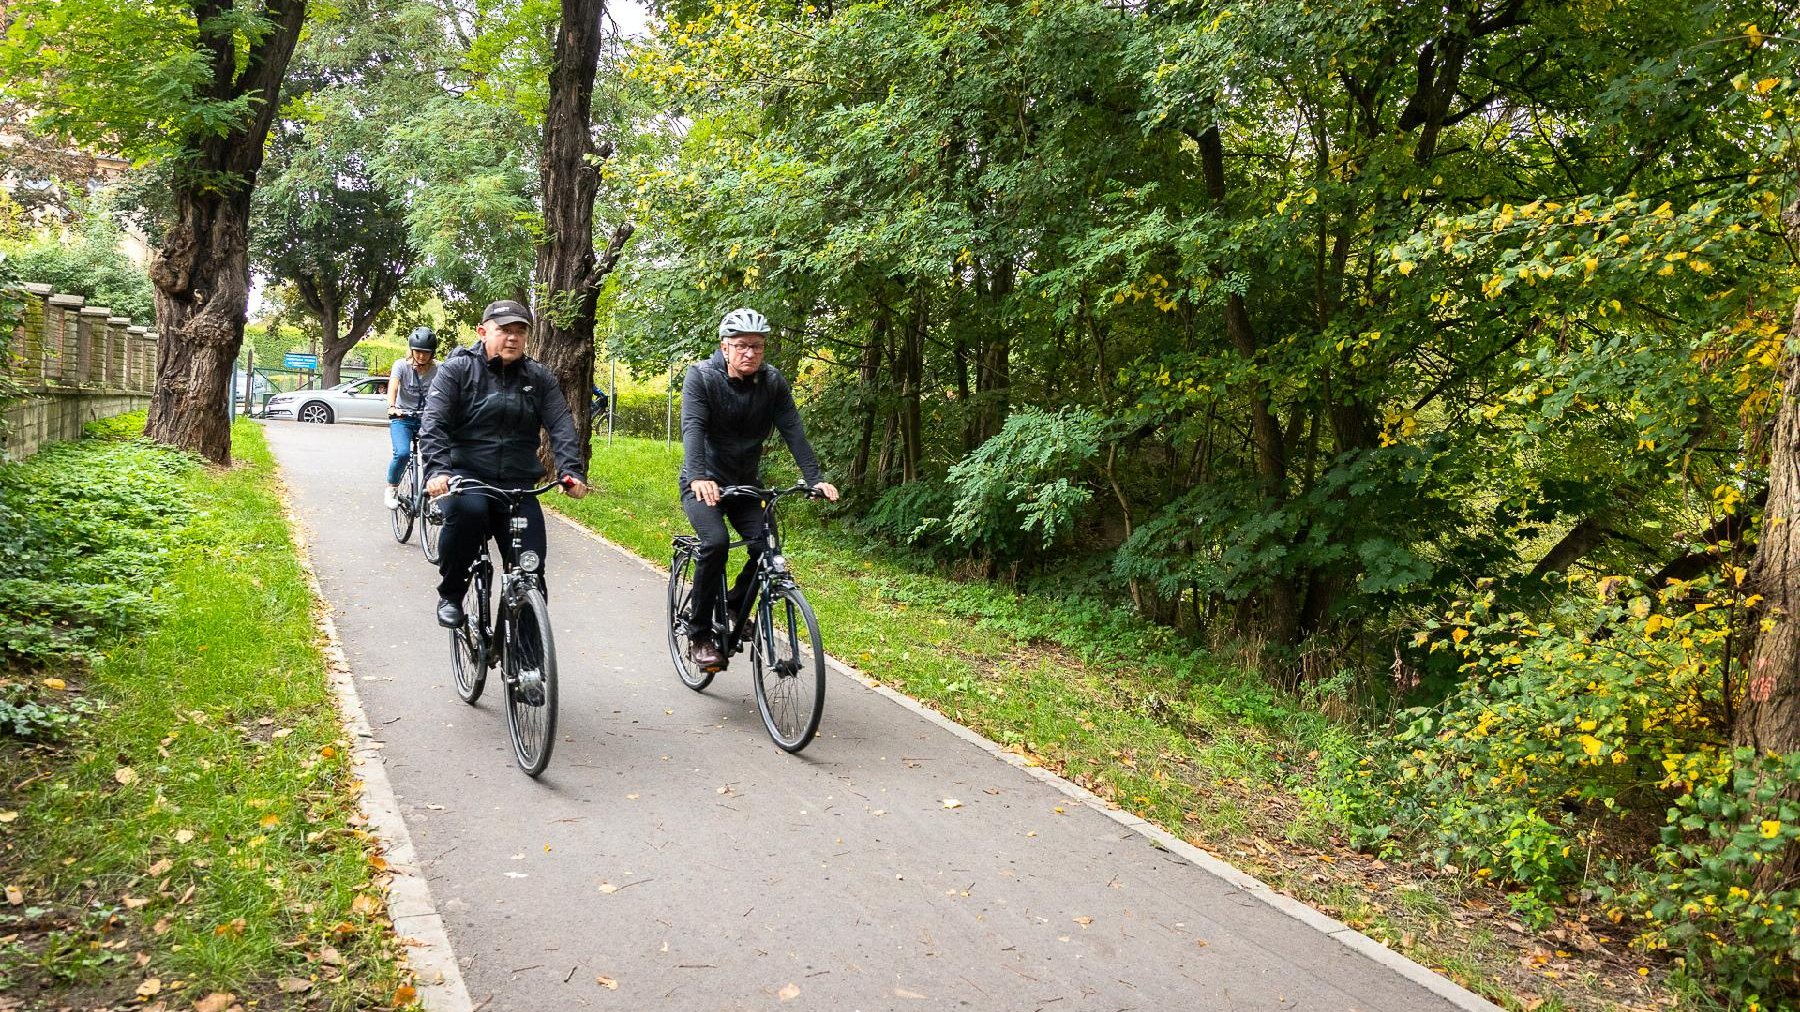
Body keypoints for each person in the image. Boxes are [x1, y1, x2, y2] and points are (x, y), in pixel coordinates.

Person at [680, 307, 839, 668]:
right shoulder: (702, 377)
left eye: (757, 346)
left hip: (746, 484)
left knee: (766, 547)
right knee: (716, 543)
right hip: (703, 481)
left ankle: (734, 605)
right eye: (741, 345)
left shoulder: (772, 382)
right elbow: (693, 428)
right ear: (725, 347)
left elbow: (793, 430)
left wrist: (814, 479)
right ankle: (699, 633)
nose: (749, 352)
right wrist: (698, 475)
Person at [420, 300, 590, 628]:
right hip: (466, 474)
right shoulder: (457, 370)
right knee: (469, 513)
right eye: (504, 331)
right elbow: (434, 423)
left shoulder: (538, 377)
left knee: (531, 570)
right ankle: (452, 593)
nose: (512, 338)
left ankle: (529, 662)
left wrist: (570, 470)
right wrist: (438, 470)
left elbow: (561, 424)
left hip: (517, 482)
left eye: (520, 331)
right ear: (483, 332)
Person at [383, 326, 440, 509]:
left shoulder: (439, 368)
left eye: (426, 352)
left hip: (427, 419)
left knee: (436, 456)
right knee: (402, 454)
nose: (422, 356)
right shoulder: (401, 365)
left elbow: (447, 390)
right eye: (418, 351)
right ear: (411, 350)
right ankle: (392, 487)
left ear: (432, 353)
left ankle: (436, 496)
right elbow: (393, 385)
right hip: (403, 417)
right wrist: (392, 407)